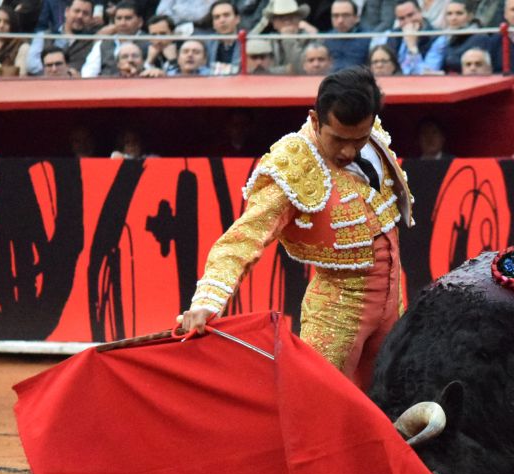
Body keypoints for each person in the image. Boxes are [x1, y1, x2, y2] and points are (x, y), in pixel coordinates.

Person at [179, 67, 413, 390]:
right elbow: (243, 237)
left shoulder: (372, 140)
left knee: (392, 399)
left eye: (358, 139)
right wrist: (206, 302)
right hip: (338, 311)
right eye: (339, 140)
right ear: (316, 121)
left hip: (393, 302)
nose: (349, 151)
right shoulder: (294, 165)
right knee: (320, 401)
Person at [27, 0, 96, 76]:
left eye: (85, 13)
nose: (80, 16)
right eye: (76, 11)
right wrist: (61, 71)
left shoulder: (93, 42)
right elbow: (32, 65)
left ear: (91, 18)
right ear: (66, 12)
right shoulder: (44, 35)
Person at [80, 0, 144, 77]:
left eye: (128, 18)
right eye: (119, 18)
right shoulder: (102, 44)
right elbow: (88, 74)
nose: (122, 23)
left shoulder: (150, 42)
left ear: (140, 22)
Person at [436, 0, 486, 74]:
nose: (453, 18)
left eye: (459, 13)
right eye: (449, 14)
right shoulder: (442, 38)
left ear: (470, 16)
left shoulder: (480, 37)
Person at [325, 0, 370, 71]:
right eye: (335, 16)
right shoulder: (325, 39)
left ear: (356, 18)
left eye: (345, 15)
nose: (340, 20)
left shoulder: (368, 38)